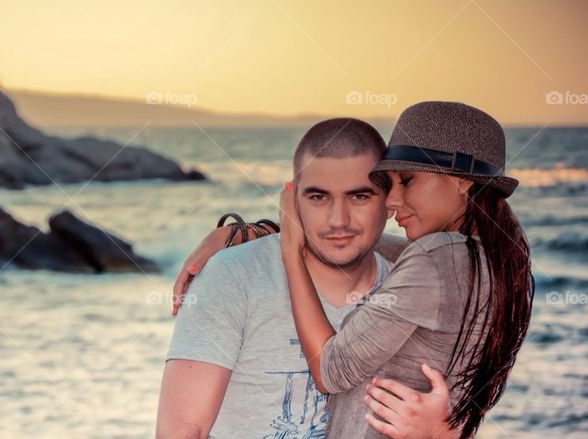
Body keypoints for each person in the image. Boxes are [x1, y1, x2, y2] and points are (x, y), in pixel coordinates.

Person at [156, 118, 461, 439]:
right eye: (318, 197)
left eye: (359, 197)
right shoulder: (233, 277)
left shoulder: (415, 292)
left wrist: (442, 432)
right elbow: (182, 431)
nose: (338, 220)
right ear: (291, 200)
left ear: (389, 203)